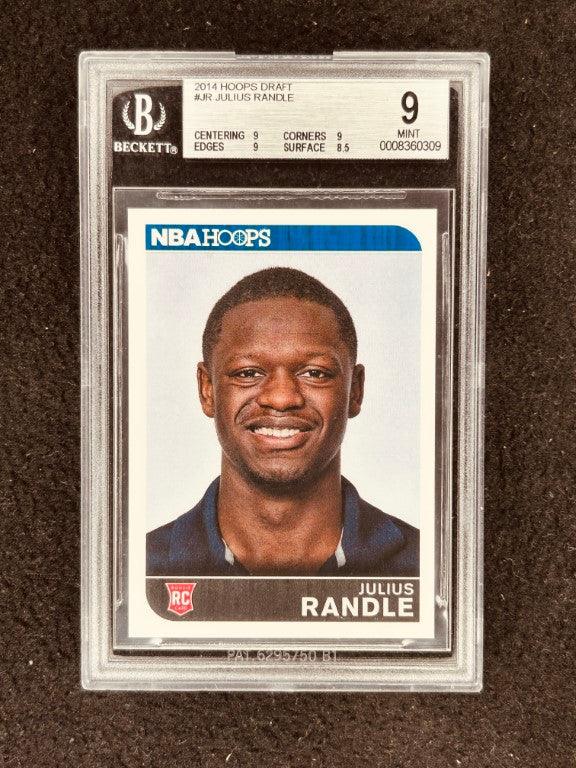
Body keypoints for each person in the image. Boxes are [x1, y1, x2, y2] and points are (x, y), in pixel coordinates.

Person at [147, 267, 418, 577]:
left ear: (355, 391)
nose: (281, 398)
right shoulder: (136, 570)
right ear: (207, 390)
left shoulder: (430, 567)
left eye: (315, 373)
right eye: (248, 373)